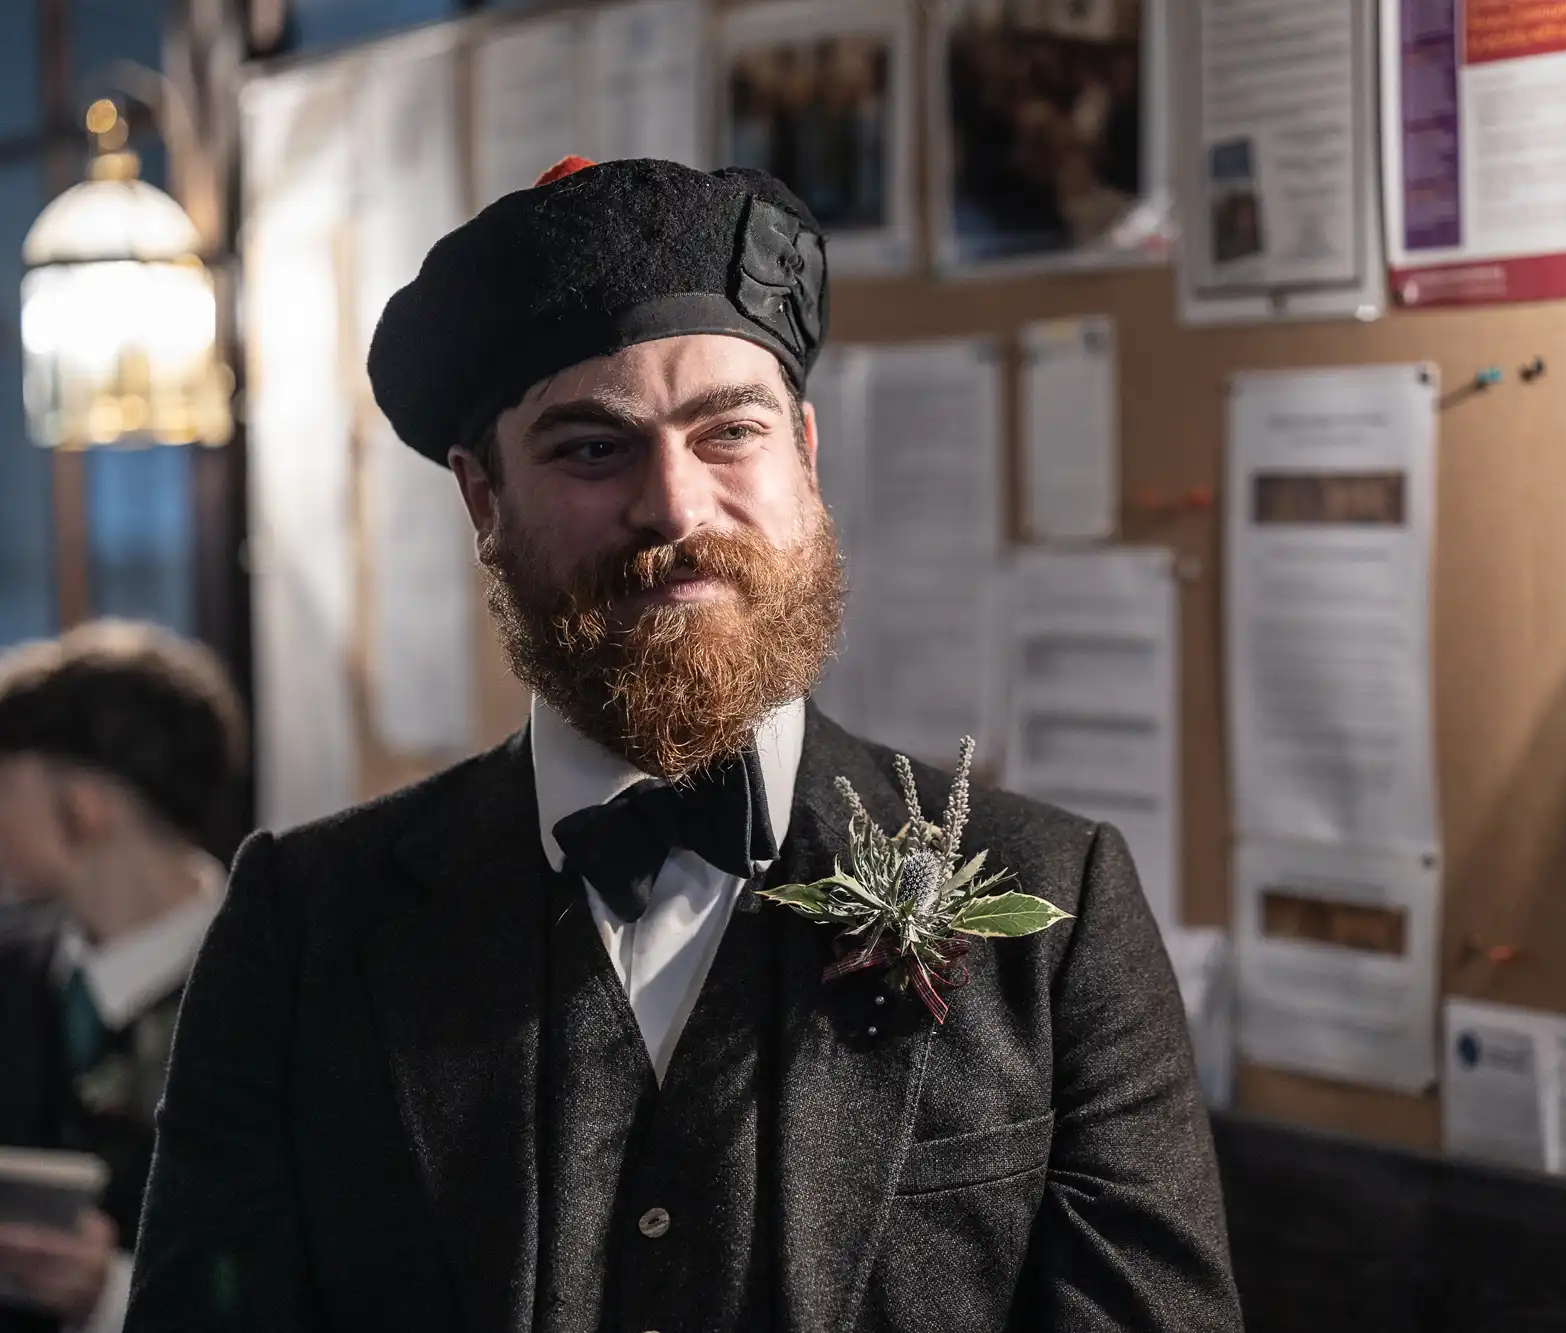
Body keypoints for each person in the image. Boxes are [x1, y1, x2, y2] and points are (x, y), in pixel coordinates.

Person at [127, 157, 1239, 1331]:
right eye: (590, 449)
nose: (674, 505)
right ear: (482, 500)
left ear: (803, 456)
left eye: (728, 432)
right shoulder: (301, 927)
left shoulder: (1060, 915)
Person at [0, 621, 246, 1333]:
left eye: (6, 780)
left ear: (86, 806)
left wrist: (108, 1295)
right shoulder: (12, 969)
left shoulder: (276, 982)